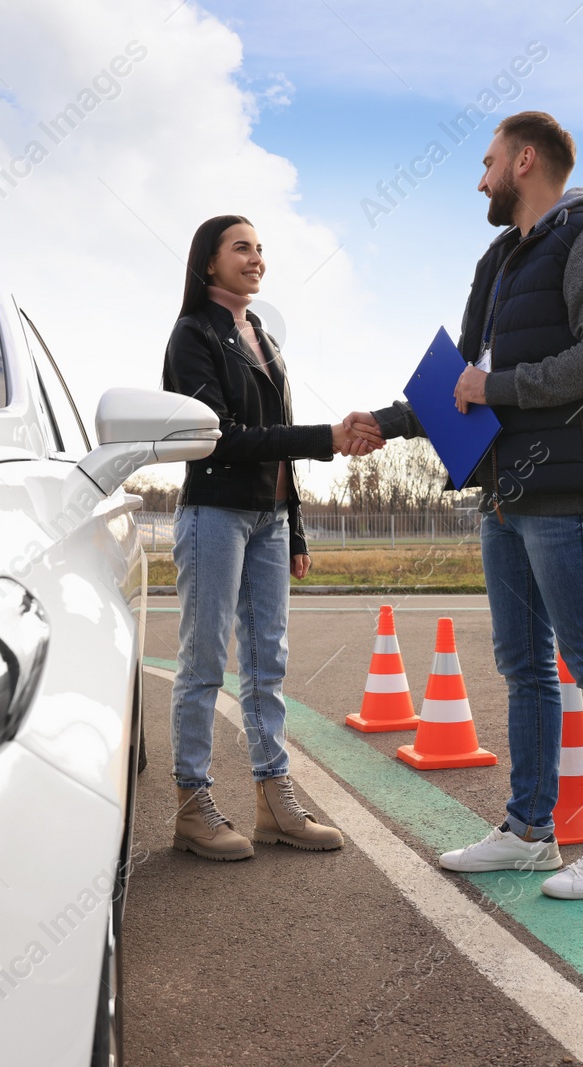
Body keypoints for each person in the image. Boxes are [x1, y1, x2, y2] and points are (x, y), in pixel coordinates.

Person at [343, 112, 583, 899]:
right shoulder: (500, 261)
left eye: (486, 163)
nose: (478, 179)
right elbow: (463, 383)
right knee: (523, 665)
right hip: (506, 494)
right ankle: (528, 831)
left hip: (567, 487)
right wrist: (384, 422)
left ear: (524, 161)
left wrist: (504, 388)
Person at [163, 214, 382, 861]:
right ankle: (192, 804)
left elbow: (276, 440)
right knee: (204, 662)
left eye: (261, 249)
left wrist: (296, 526)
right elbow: (222, 438)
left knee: (268, 664)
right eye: (242, 248)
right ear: (209, 262)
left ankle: (273, 801)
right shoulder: (192, 335)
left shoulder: (260, 333)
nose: (256, 258)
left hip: (269, 517)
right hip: (216, 512)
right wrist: (327, 438)